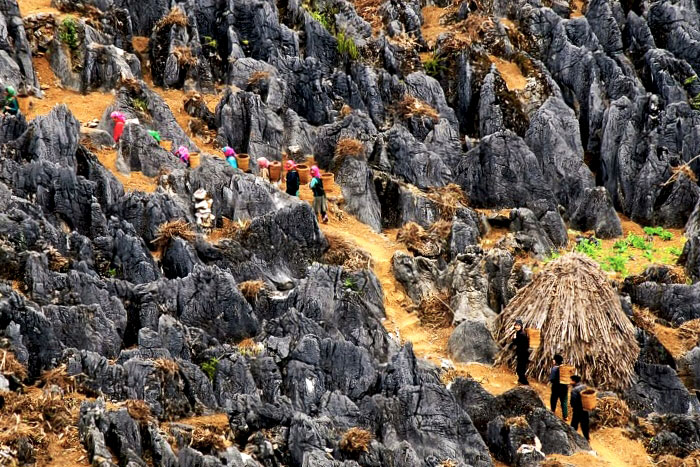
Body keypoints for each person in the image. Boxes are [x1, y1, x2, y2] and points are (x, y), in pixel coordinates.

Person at [570, 375, 590, 441]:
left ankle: (572, 438)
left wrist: (572, 405)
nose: (570, 382)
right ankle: (587, 438)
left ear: (574, 381)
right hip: (585, 408)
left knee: (574, 424)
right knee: (585, 424)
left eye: (571, 380)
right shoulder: (584, 386)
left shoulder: (574, 390)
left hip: (577, 410)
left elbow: (573, 401)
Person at [511, 319, 530, 385]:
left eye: (518, 325)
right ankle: (521, 380)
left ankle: (524, 382)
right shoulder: (519, 333)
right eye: (516, 325)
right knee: (520, 369)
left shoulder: (522, 334)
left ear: (521, 326)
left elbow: (520, 343)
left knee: (520, 369)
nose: (517, 327)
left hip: (523, 354)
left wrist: (514, 340)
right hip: (521, 354)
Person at [550, 354, 568, 420]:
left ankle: (552, 412)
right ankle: (565, 416)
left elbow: (551, 379)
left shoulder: (555, 368)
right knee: (564, 401)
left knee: (553, 400)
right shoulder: (565, 368)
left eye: (554, 359)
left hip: (556, 387)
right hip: (564, 388)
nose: (553, 360)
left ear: (556, 360)